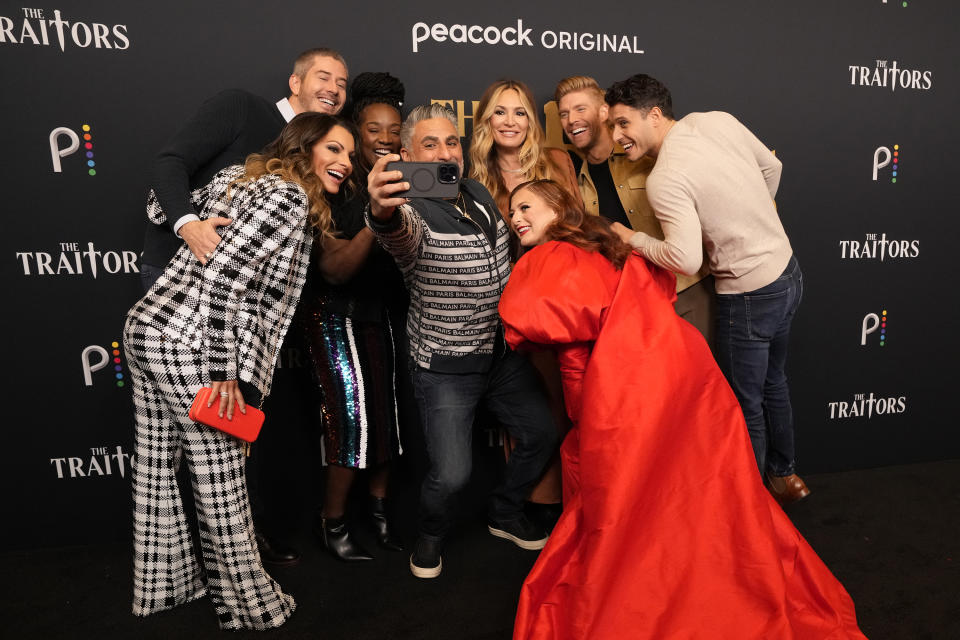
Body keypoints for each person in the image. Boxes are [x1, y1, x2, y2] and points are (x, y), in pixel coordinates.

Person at [499, 179, 867, 640]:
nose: (516, 218)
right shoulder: (609, 242)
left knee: (632, 500)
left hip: (631, 389)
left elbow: (573, 363)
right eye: (511, 212)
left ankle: (664, 584)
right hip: (686, 370)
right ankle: (714, 572)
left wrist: (586, 424)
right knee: (698, 488)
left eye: (526, 207)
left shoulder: (549, 260)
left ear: (557, 206)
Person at [124, 113, 354, 630]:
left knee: (157, 467)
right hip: (193, 345)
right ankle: (249, 606)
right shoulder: (289, 197)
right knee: (222, 479)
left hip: (149, 327)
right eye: (335, 150)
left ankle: (164, 587)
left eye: (349, 157)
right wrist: (225, 370)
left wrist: (192, 224)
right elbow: (229, 280)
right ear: (305, 146)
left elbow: (158, 205)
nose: (345, 163)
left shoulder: (239, 177)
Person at [365, 104, 558, 579]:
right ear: (407, 154)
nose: (444, 152)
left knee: (543, 432)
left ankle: (504, 510)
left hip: (501, 354)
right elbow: (398, 236)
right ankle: (430, 535)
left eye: (451, 142)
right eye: (430, 145)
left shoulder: (474, 191)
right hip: (446, 366)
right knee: (452, 475)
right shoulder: (410, 209)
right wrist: (379, 209)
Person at [605, 73, 809, 503]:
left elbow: (686, 260)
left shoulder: (665, 177)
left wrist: (632, 239)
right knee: (775, 382)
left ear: (654, 115)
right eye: (612, 127)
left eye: (623, 123)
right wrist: (749, 215)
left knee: (744, 404)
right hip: (788, 272)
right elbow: (773, 168)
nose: (617, 135)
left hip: (749, 294)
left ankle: (752, 509)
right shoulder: (717, 120)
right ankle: (786, 476)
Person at [301, 72, 407, 561]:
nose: (385, 139)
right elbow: (336, 270)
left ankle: (379, 516)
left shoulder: (406, 184)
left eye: (394, 130)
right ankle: (333, 520)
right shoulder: (331, 189)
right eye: (373, 130)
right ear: (353, 132)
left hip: (384, 317)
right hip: (335, 318)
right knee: (350, 419)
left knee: (386, 418)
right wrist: (376, 216)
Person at [469, 79, 579, 527]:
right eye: (499, 112)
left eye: (519, 112)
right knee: (531, 404)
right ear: (485, 122)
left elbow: (577, 224)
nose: (509, 121)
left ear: (532, 121)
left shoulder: (556, 163)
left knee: (567, 397)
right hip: (510, 307)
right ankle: (539, 501)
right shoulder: (474, 179)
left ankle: (575, 497)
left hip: (563, 300)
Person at [554, 75, 713, 344]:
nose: (571, 120)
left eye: (581, 109)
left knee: (698, 383)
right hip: (632, 303)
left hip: (685, 292)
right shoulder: (576, 178)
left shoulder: (648, 154)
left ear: (605, 111)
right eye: (564, 114)